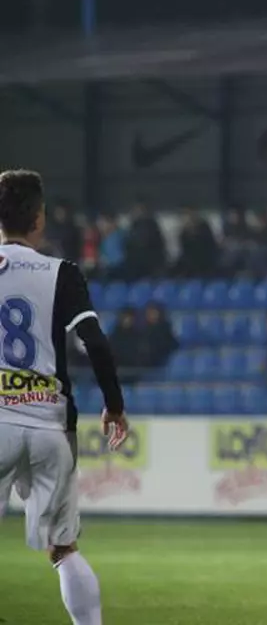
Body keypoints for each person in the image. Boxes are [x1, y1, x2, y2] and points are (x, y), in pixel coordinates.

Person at [0, 169, 129, 625]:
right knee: (63, 548)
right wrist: (114, 405)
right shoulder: (61, 273)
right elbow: (94, 341)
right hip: (49, 425)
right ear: (39, 219)